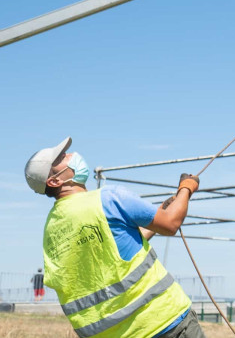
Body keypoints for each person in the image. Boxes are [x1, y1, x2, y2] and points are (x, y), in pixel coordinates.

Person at [25, 137, 207, 338]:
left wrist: (159, 213)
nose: (70, 155)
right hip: (165, 324)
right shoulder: (108, 199)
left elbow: (113, 248)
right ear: (54, 181)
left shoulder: (51, 230)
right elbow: (171, 223)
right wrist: (187, 188)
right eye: (61, 157)